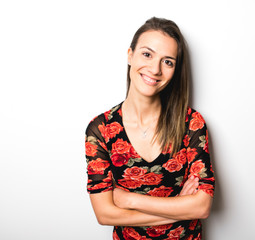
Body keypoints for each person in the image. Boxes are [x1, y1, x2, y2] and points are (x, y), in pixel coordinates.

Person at [85, 17, 215, 240]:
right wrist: (178, 209)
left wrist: (129, 200)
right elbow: (105, 214)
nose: (155, 69)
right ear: (130, 55)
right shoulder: (101, 129)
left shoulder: (192, 123)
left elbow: (201, 207)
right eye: (147, 54)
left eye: (168, 62)